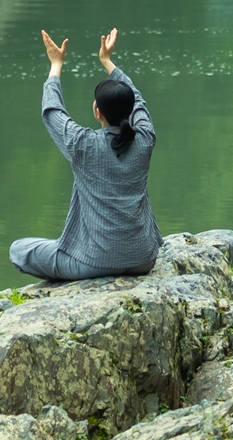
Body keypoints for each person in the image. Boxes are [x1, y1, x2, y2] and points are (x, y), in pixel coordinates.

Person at [9, 26, 162, 281]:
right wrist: (107, 61)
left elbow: (52, 111)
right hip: (143, 259)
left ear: (97, 112)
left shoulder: (83, 145)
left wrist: (56, 65)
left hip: (94, 263)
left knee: (20, 249)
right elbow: (138, 99)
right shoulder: (145, 139)